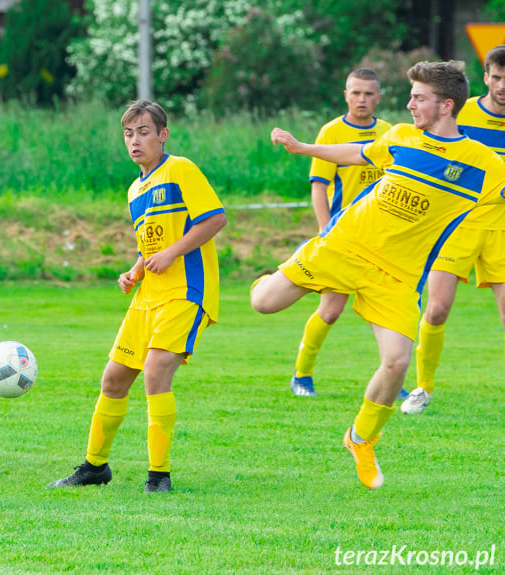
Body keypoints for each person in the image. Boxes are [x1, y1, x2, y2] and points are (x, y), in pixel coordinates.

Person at [252, 61, 505, 490]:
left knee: (396, 363)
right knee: (263, 303)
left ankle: (361, 438)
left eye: (419, 98)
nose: (409, 104)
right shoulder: (399, 135)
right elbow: (355, 153)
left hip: (397, 275)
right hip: (345, 245)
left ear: (446, 106)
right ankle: (271, 274)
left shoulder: (485, 163)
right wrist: (303, 148)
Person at [47, 100, 227, 493]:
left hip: (185, 292)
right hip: (148, 297)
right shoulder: (135, 189)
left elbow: (215, 219)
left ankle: (158, 476)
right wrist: (136, 269)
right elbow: (151, 245)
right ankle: (94, 467)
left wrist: (171, 254)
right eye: (128, 134)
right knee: (113, 379)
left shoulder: (180, 169)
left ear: (163, 135)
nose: (135, 141)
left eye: (143, 132)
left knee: (156, 372)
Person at [404, 45, 505, 415]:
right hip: (457, 224)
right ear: (486, 77)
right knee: (438, 309)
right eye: (497, 77)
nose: (503, 85)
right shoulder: (462, 113)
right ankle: (422, 388)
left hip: (502, 228)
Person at [290, 68, 392, 397]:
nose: (362, 99)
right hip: (342, 236)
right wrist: (324, 230)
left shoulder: (390, 132)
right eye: (356, 93)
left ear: (379, 97)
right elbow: (319, 187)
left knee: (391, 310)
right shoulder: (331, 132)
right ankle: (302, 374)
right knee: (332, 310)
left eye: (368, 93)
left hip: (382, 240)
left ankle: (395, 380)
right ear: (346, 95)